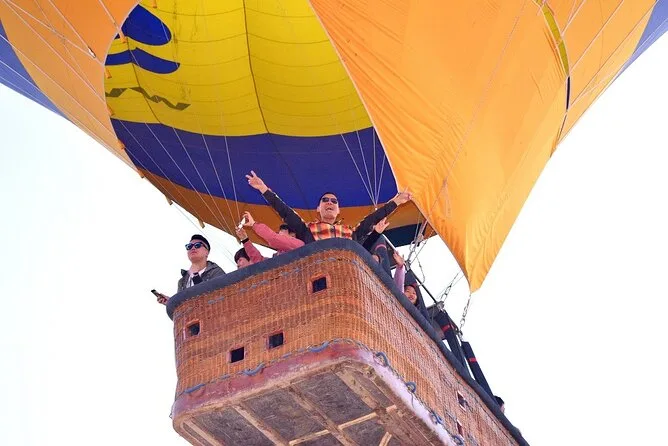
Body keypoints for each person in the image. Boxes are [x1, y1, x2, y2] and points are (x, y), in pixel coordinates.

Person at [245, 170, 411, 244]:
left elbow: (372, 219)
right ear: (318, 208)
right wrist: (264, 190)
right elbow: (285, 212)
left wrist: (395, 202)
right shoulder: (307, 230)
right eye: (325, 200)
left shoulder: (350, 232)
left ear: (339, 211)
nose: (330, 202)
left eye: (334, 201)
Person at [157, 234, 225, 305]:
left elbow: (219, 298)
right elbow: (183, 307)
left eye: (197, 245)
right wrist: (171, 303)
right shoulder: (182, 281)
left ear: (206, 252)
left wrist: (195, 276)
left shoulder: (216, 272)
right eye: (189, 246)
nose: (192, 248)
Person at [392, 251, 430, 320]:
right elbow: (398, 285)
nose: (411, 294)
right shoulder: (400, 298)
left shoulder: (419, 316)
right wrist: (400, 267)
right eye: (407, 291)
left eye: (414, 293)